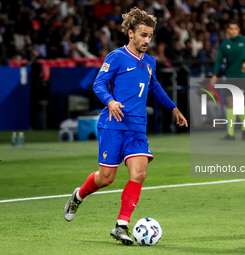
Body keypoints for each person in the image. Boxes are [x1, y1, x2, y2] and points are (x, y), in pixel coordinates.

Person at [63, 7, 188, 245]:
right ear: (130, 33)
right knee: (106, 178)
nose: (147, 40)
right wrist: (110, 101)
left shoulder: (149, 61)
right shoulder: (116, 57)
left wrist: (173, 107)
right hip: (113, 126)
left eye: (150, 36)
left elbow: (155, 87)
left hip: (137, 128)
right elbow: (98, 84)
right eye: (143, 35)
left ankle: (121, 225)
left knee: (139, 173)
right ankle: (79, 195)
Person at [210, 20, 245, 140]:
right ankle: (230, 134)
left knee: (239, 104)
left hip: (243, 77)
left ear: (239, 30)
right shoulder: (225, 44)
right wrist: (215, 75)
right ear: (227, 30)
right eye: (231, 29)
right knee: (231, 105)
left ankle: (244, 130)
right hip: (230, 77)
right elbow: (219, 61)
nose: (233, 31)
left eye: (235, 29)